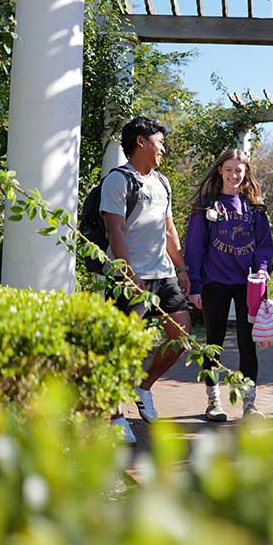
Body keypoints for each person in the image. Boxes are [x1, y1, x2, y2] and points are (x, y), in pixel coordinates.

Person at [100, 116, 192, 445]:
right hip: (129, 278)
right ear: (141, 142)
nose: (163, 148)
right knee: (121, 347)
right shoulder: (117, 181)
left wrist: (181, 269)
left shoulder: (162, 182)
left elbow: (169, 230)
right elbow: (115, 230)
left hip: (163, 273)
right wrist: (128, 271)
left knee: (180, 335)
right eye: (159, 141)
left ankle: (142, 387)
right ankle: (113, 414)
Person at [184, 148, 273, 420]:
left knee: (248, 344)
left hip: (248, 285)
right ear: (219, 171)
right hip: (215, 283)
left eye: (239, 170)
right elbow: (194, 247)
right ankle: (213, 402)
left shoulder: (255, 209)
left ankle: (250, 404)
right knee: (215, 342)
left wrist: (261, 270)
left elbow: (263, 246)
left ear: (246, 173)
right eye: (229, 170)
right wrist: (195, 285)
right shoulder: (206, 207)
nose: (234, 175)